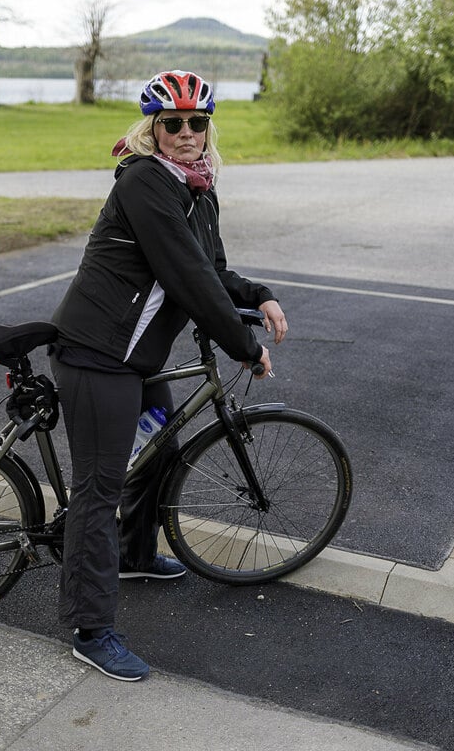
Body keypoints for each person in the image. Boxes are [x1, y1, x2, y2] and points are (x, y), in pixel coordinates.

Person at [49, 70, 288, 681]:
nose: (186, 134)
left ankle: (133, 554)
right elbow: (185, 275)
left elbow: (213, 269)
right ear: (152, 130)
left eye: (197, 123)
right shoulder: (146, 182)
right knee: (99, 491)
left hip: (135, 358)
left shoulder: (198, 191)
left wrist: (256, 296)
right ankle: (90, 628)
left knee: (159, 447)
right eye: (173, 124)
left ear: (209, 128)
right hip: (98, 353)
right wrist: (242, 345)